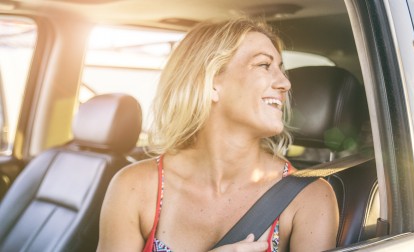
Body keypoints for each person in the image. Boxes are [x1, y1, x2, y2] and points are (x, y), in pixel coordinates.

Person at [97, 18, 339, 252]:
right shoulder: (135, 187)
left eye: (281, 69)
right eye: (264, 65)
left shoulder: (310, 198)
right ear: (211, 83)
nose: (285, 83)